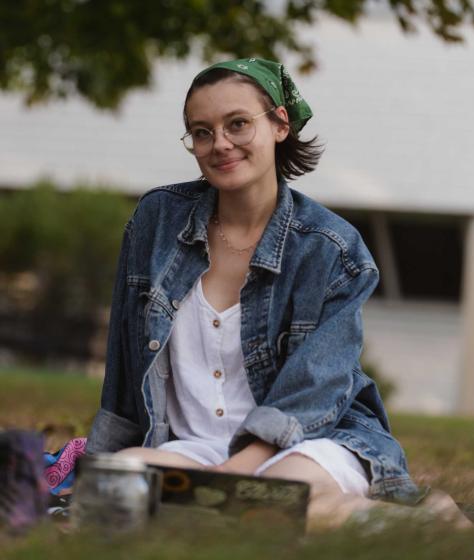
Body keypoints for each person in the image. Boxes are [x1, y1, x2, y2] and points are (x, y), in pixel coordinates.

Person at [86, 58, 428, 528]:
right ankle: (340, 517)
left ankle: (428, 524)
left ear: (280, 124)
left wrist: (232, 475)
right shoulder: (157, 220)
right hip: (195, 446)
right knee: (113, 492)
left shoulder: (331, 247)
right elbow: (125, 361)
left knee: (263, 504)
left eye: (238, 124)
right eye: (202, 132)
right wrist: (102, 467)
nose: (220, 144)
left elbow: (318, 383)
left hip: (307, 441)